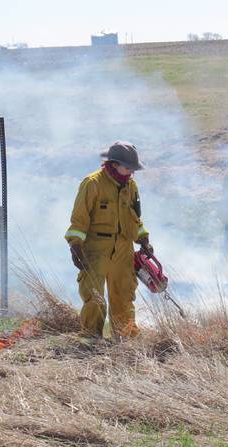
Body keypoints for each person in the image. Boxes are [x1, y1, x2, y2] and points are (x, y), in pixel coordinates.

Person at [65, 141, 152, 340]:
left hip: (123, 248)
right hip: (96, 248)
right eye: (128, 167)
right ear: (114, 164)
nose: (131, 172)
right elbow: (79, 218)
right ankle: (91, 338)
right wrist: (76, 246)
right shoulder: (92, 183)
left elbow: (135, 218)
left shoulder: (131, 185)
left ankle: (126, 339)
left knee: (124, 295)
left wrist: (144, 239)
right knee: (94, 296)